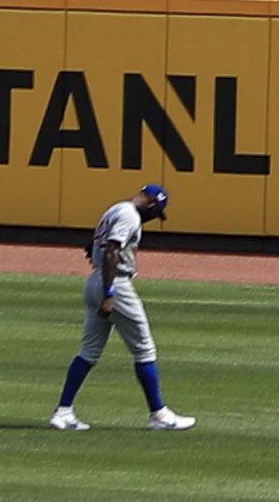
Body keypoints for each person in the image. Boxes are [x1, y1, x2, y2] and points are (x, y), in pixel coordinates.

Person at [51, 178, 195, 431]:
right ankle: (159, 414)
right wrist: (109, 294)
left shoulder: (116, 209)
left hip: (95, 279)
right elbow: (111, 251)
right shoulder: (130, 215)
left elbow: (101, 243)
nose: (153, 217)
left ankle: (63, 412)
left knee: (89, 351)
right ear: (151, 202)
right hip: (114, 283)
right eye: (155, 211)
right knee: (145, 349)